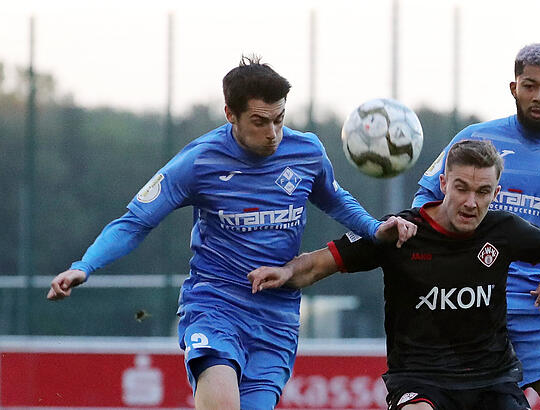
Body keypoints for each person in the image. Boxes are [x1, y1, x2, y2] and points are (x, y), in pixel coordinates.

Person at [46, 56, 416, 410]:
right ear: (230, 115)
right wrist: (85, 265)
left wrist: (373, 228)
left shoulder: (307, 152)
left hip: (277, 316)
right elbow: (136, 221)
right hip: (215, 304)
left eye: (280, 119)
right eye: (259, 121)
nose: (272, 133)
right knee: (222, 393)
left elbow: (336, 201)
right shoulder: (199, 162)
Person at [249, 140, 540, 410]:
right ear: (443, 184)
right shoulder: (401, 232)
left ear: (495, 194)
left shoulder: (505, 229)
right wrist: (285, 271)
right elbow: (321, 263)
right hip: (419, 380)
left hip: (491, 380)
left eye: (482, 192)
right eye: (461, 188)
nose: (471, 202)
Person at [412, 43, 540, 410]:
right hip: (469, 296)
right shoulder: (475, 140)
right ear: (514, 87)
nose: (539, 96)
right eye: (530, 85)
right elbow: (424, 200)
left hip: (537, 303)